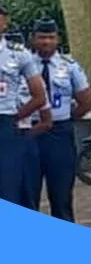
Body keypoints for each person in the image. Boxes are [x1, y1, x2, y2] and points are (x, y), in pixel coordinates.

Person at [30, 17, 91, 221]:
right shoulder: (24, 64)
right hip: (31, 133)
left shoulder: (70, 66)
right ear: (33, 39)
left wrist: (65, 118)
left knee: (61, 197)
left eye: (50, 37)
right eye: (41, 37)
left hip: (60, 134)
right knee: (27, 197)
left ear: (58, 39)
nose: (46, 42)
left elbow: (85, 102)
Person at [0, 25, 48, 206]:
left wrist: (14, 117)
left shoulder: (19, 55)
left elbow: (39, 96)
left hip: (5, 124)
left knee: (8, 189)